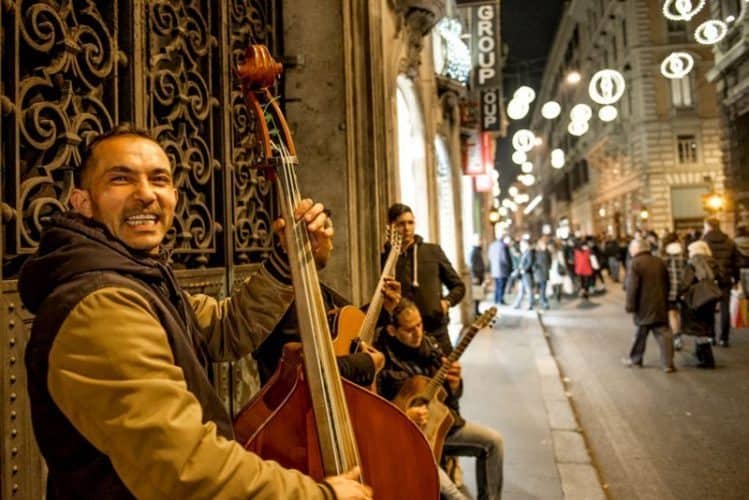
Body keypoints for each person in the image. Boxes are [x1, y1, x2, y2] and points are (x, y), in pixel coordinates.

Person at [19, 128, 371, 499]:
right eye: (120, 179)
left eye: (159, 179)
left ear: (173, 196)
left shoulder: (138, 279)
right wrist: (320, 495)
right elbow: (184, 466)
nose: (145, 194)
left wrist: (288, 260)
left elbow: (223, 328)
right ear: (82, 202)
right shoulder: (101, 305)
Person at [376, 300, 504, 500]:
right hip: (407, 441)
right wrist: (403, 416)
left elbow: (450, 399)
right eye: (409, 329)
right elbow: (375, 410)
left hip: (440, 427)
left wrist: (455, 385)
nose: (418, 333)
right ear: (392, 330)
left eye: (419, 325)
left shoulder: (432, 347)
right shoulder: (382, 359)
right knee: (454, 495)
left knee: (493, 442)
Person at [385, 203, 466, 355]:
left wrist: (446, 303)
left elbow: (458, 286)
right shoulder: (386, 259)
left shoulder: (432, 251)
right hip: (404, 336)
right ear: (391, 227)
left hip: (436, 331)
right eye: (401, 224)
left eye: (410, 222)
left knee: (448, 375)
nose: (407, 228)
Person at [622, 239, 675, 373]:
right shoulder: (659, 261)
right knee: (664, 334)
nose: (630, 251)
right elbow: (667, 283)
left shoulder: (635, 263)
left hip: (643, 306)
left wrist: (630, 306)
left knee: (641, 333)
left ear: (637, 249)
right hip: (660, 304)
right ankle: (667, 364)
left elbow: (631, 288)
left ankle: (635, 359)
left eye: (631, 248)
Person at [678, 241, 726, 368]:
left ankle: (707, 359)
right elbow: (722, 278)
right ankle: (701, 355)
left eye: (689, 250)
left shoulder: (692, 263)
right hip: (710, 299)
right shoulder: (713, 262)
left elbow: (685, 283)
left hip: (696, 299)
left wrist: (680, 294)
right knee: (705, 326)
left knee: (698, 328)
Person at [702, 217, 739, 347]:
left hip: (710, 279)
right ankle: (724, 338)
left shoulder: (704, 241)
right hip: (726, 279)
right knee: (725, 309)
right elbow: (735, 263)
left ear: (708, 226)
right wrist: (737, 279)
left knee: (709, 309)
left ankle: (711, 336)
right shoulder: (729, 241)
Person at [661, 232, 685, 350]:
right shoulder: (684, 253)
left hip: (669, 289)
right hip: (683, 288)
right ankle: (679, 334)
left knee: (672, 314)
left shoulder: (663, 255)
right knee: (680, 313)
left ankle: (677, 338)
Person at [488, 234, 513, 305]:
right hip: (502, 270)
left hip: (495, 269)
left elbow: (490, 257)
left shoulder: (492, 245)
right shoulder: (503, 246)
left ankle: (496, 299)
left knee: (497, 285)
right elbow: (505, 259)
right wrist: (510, 267)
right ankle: (500, 300)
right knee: (501, 286)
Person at [512, 238, 534, 310]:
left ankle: (530, 305)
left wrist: (524, 269)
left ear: (526, 245)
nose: (521, 247)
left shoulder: (529, 252)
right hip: (522, 275)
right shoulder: (523, 253)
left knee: (528, 290)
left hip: (527, 274)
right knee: (521, 290)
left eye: (522, 245)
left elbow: (530, 263)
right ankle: (517, 304)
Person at [470, 235, 487, 315]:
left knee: (479, 294)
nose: (481, 242)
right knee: (476, 294)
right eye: (479, 240)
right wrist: (474, 277)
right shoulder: (474, 251)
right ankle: (476, 311)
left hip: (479, 275)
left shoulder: (478, 250)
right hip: (476, 276)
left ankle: (477, 311)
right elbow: (472, 265)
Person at [533, 239, 551, 309]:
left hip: (545, 273)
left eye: (545, 244)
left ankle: (543, 301)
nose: (545, 246)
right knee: (542, 288)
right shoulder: (537, 252)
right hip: (539, 273)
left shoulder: (547, 252)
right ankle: (543, 301)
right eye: (543, 244)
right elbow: (534, 262)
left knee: (543, 288)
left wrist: (548, 267)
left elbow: (550, 261)